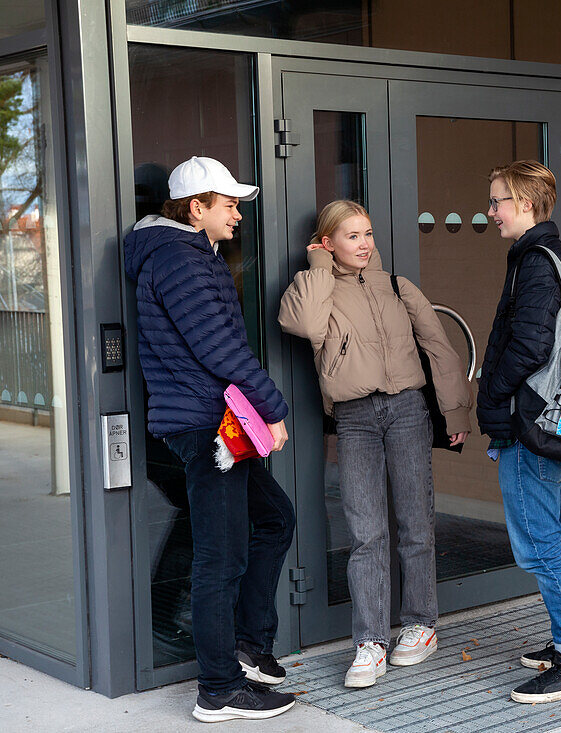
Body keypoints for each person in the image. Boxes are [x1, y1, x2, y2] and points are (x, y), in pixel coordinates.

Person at [123, 156, 297, 723]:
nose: (238, 216)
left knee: (273, 519)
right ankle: (219, 689)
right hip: (205, 427)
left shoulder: (189, 255)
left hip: (211, 423)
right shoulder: (181, 260)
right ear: (195, 209)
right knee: (220, 559)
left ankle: (248, 645)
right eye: (229, 206)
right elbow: (218, 348)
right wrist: (273, 408)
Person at [278, 199, 472, 689]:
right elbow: (302, 325)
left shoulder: (397, 287)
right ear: (327, 243)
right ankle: (370, 642)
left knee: (415, 522)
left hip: (407, 409)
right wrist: (319, 266)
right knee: (366, 533)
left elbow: (439, 349)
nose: (364, 244)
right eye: (351, 236)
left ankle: (421, 624)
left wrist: (455, 411)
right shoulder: (316, 287)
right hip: (356, 416)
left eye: (368, 234)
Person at [477, 160, 561, 703]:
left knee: (542, 544)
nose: (491, 210)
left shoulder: (534, 264)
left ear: (526, 204)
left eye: (498, 200)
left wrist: (492, 395)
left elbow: (529, 346)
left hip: (532, 428)